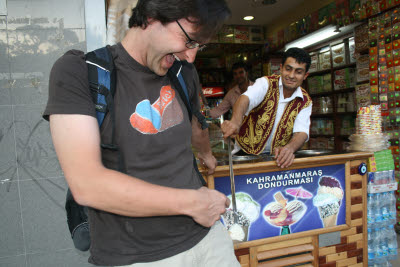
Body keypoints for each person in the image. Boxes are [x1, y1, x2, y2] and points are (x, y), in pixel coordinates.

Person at [43, 0, 240, 266]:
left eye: (198, 46)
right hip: (135, 256)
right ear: (150, 17)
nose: (190, 56)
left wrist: (207, 154)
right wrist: (193, 203)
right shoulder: (79, 72)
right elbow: (87, 185)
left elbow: (197, 126)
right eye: (188, 40)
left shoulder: (184, 72)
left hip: (209, 240)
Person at [221, 47, 312, 169]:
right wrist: (235, 121)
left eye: (298, 72)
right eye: (288, 69)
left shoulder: (305, 101)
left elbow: (302, 132)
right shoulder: (266, 84)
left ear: (305, 75)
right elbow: (245, 99)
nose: (291, 75)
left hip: (277, 160)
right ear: (281, 68)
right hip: (246, 156)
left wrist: (290, 148)